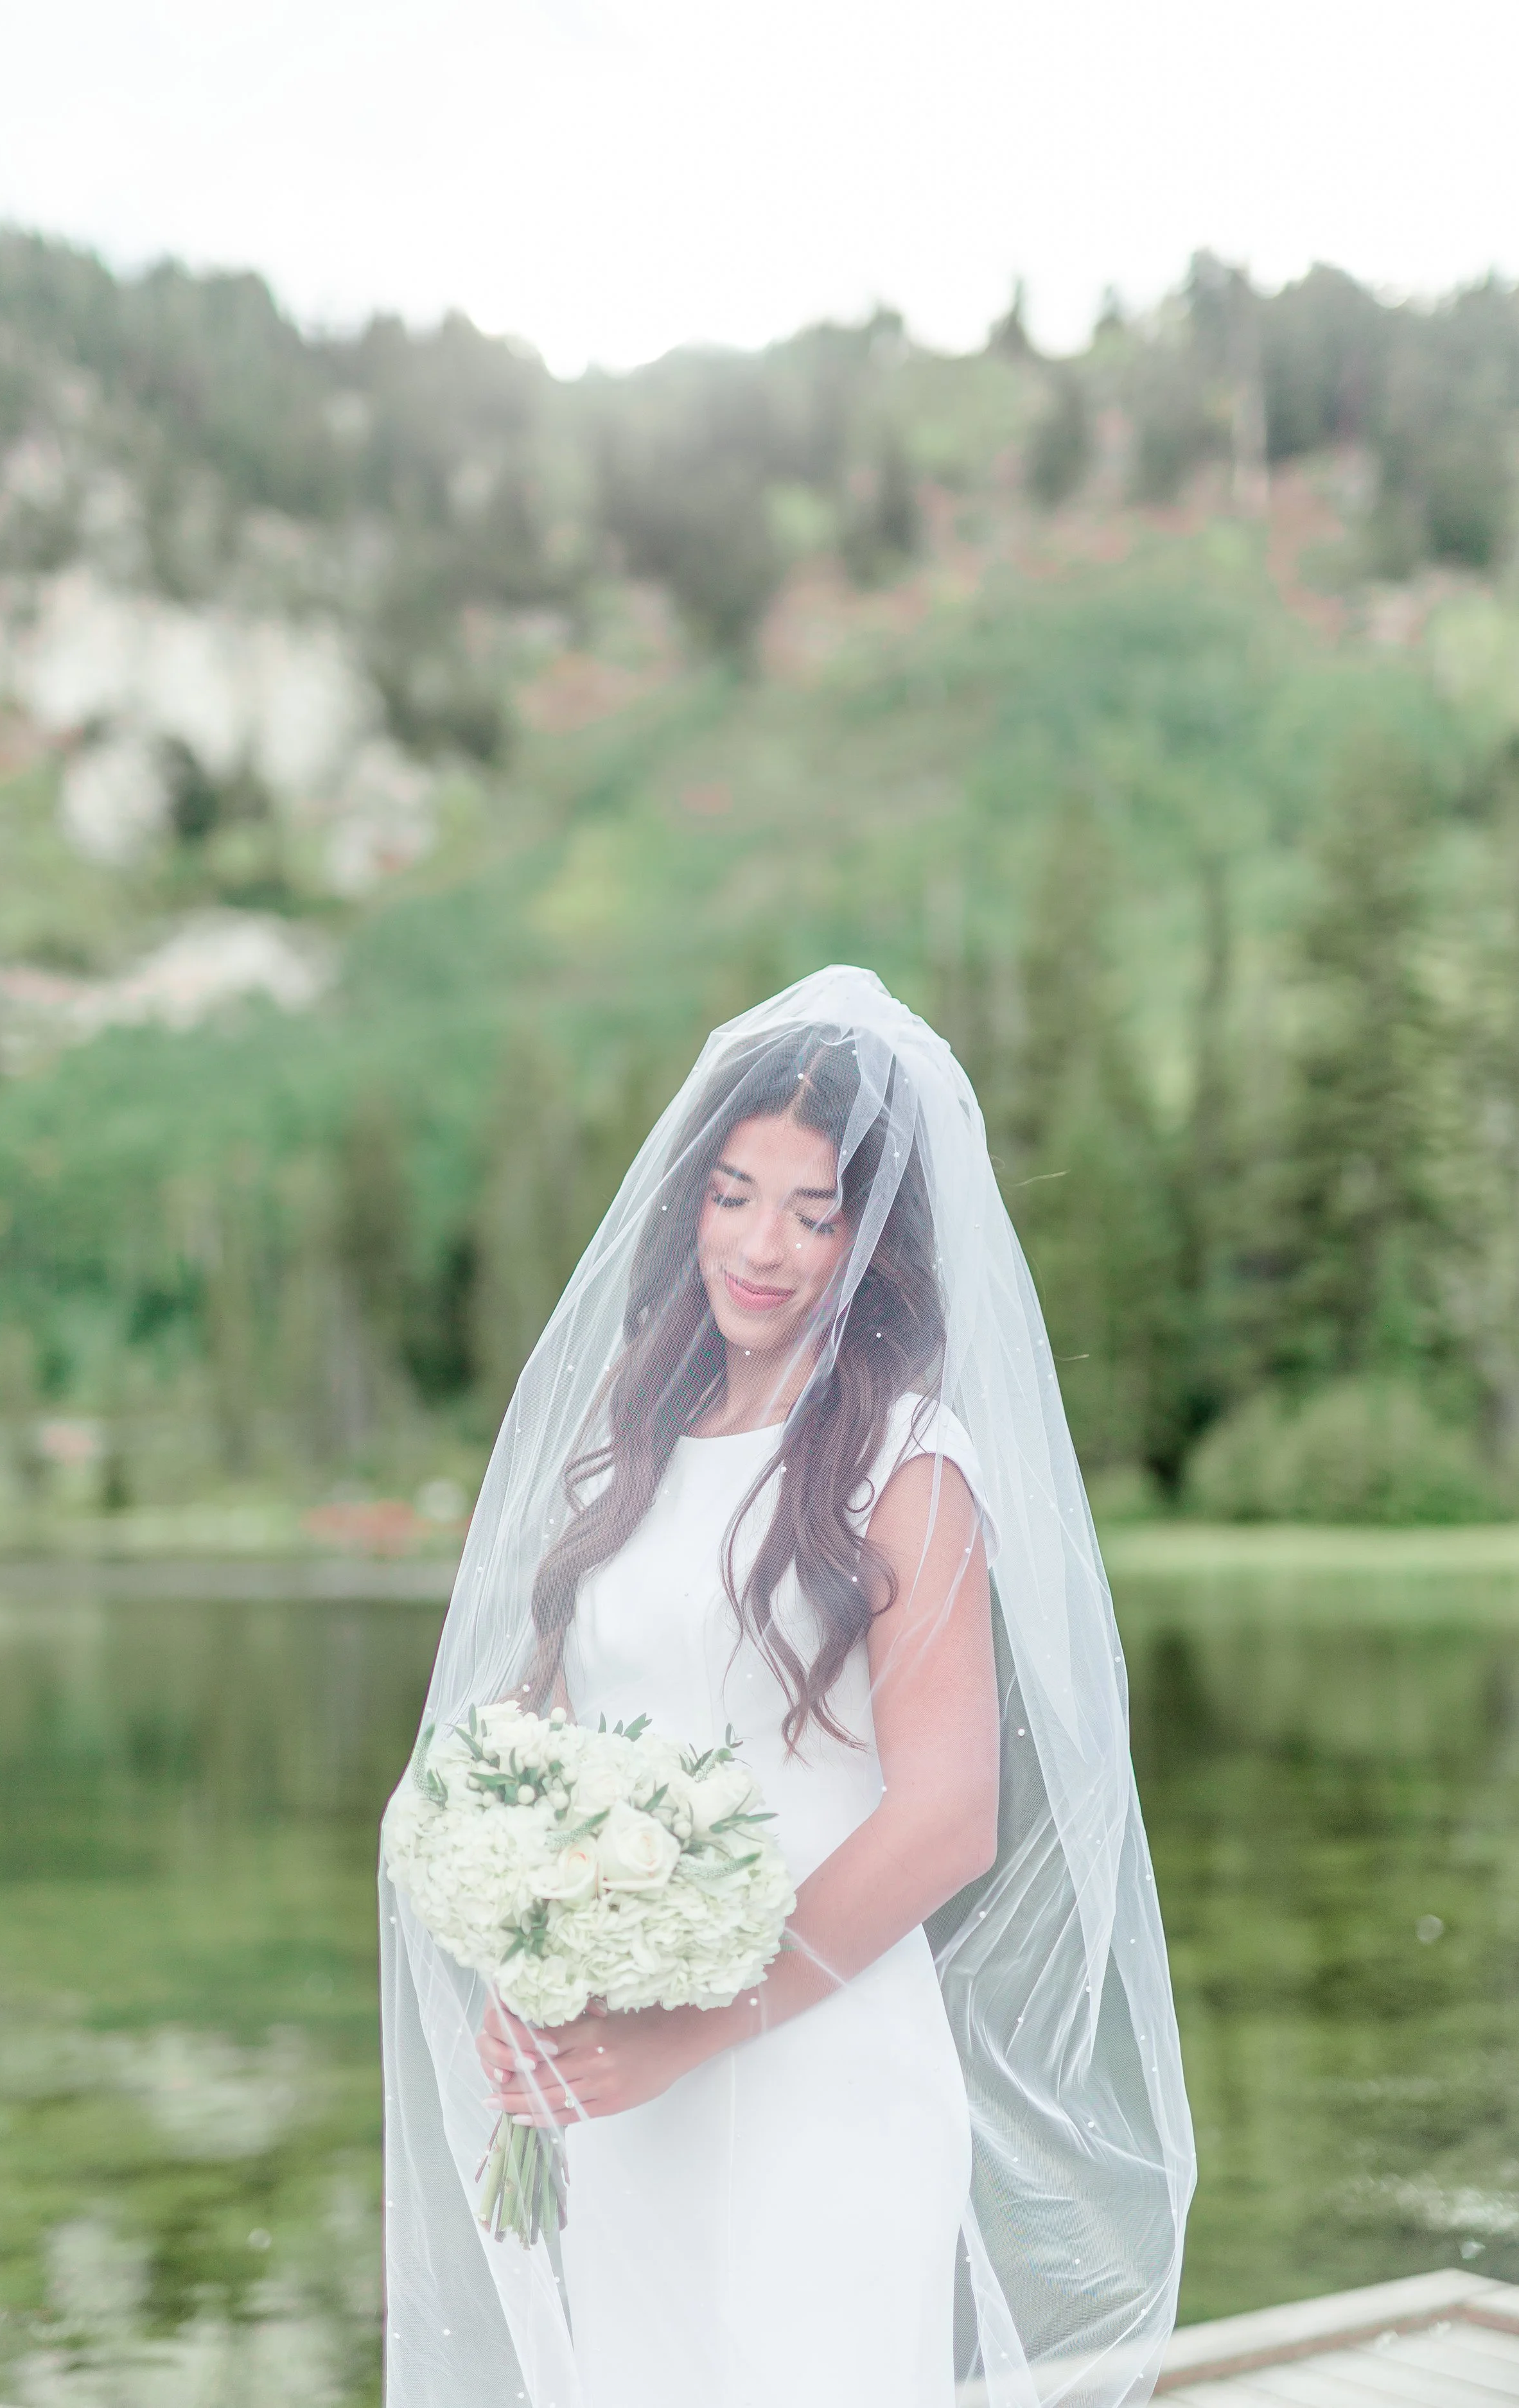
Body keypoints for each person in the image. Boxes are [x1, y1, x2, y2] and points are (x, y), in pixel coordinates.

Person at [380, 968, 1194, 2408]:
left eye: (813, 1214)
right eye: (734, 1195)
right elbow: (551, 1735)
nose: (761, 1247)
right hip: (628, 2089)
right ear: (689, 1202)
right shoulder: (632, 1433)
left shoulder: (906, 1461)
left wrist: (683, 2033)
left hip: (821, 2071)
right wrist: (533, 1965)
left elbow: (947, 1819)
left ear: (870, 1240)